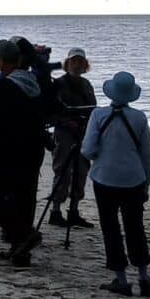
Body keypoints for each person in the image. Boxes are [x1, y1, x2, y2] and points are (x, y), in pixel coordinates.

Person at [0, 38, 47, 267]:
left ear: (2, 61)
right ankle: (20, 250)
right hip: (33, 149)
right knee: (24, 198)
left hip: (8, 151)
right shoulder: (33, 83)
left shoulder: (5, 86)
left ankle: (23, 235)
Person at [81, 71, 150, 296]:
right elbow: (146, 155)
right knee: (135, 226)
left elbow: (88, 149)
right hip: (133, 178)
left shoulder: (98, 115)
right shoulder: (139, 118)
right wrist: (147, 180)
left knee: (110, 227)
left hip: (104, 177)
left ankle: (121, 279)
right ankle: (143, 276)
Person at [46, 48, 95, 227]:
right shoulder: (58, 84)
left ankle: (74, 210)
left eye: (80, 61)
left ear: (85, 65)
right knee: (62, 171)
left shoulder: (86, 85)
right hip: (64, 133)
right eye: (73, 61)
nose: (76, 65)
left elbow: (92, 109)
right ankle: (55, 211)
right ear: (67, 63)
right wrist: (66, 122)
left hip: (82, 132)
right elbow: (51, 112)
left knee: (81, 171)